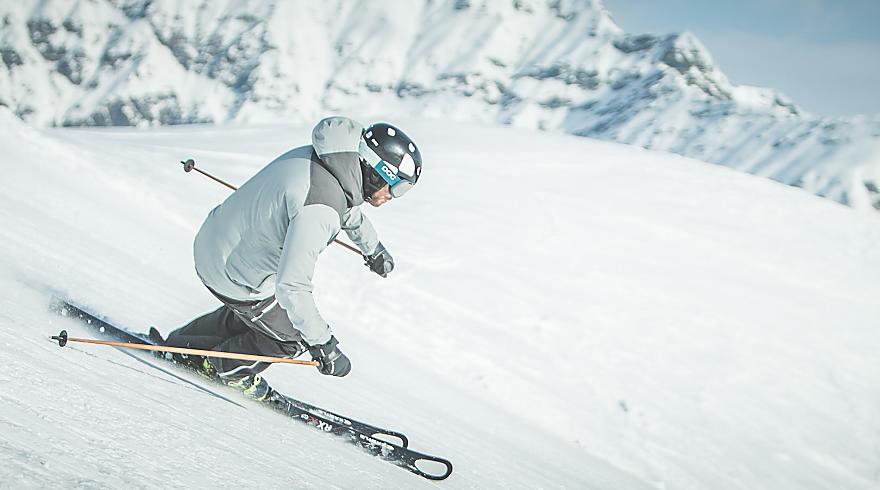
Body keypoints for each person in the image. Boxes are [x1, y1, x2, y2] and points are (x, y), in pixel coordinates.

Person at [160, 116, 423, 400]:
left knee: (263, 314)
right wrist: (324, 345)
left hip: (212, 244)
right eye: (397, 187)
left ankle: (183, 344)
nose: (393, 196)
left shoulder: (325, 159)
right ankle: (224, 369)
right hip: (231, 274)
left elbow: (344, 207)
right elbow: (292, 286)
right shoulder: (321, 209)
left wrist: (373, 248)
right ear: (375, 172)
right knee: (292, 336)